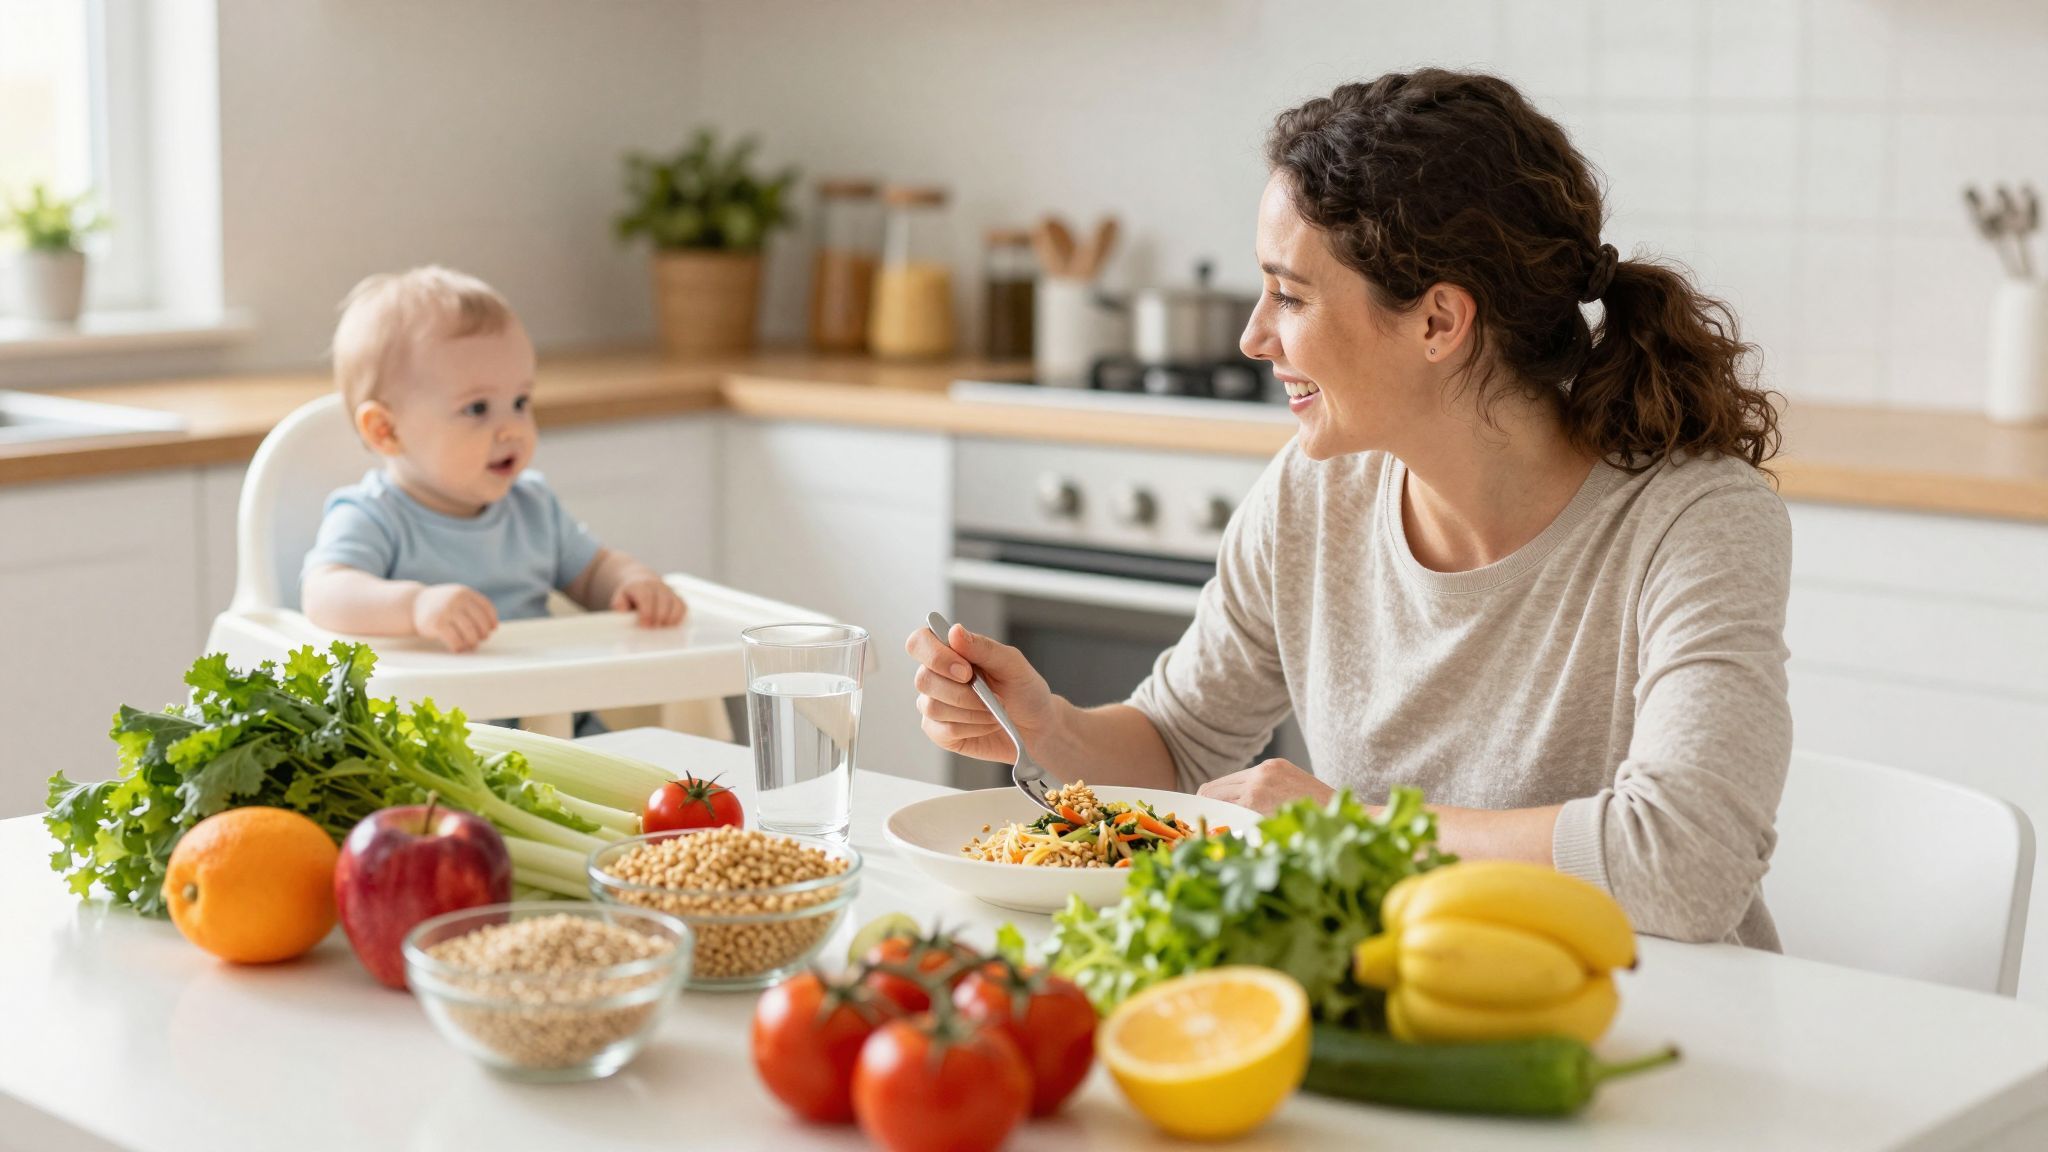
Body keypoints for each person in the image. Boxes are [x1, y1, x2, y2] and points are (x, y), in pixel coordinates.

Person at [906, 71, 1790, 947]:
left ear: (1439, 322)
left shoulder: (1694, 521)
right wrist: (1048, 728)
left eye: (1289, 295)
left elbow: (1687, 863)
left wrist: (1349, 827)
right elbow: (1178, 745)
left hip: (1660, 1026)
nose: (1254, 337)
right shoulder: (1313, 494)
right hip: (1407, 1008)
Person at [301, 266, 686, 654]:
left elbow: (593, 573)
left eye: (520, 402)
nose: (511, 429)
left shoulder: (533, 508)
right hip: (446, 713)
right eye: (477, 408)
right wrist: (415, 606)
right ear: (386, 430)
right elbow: (325, 593)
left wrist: (631, 583)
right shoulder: (374, 517)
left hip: (554, 709)